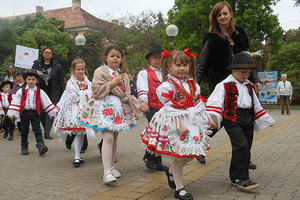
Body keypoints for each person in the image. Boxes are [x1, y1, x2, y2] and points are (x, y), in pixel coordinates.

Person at [141, 49, 216, 200]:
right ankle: (180, 188)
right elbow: (169, 109)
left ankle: (171, 172)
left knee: (191, 154)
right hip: (175, 123)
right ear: (169, 67)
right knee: (180, 154)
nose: (182, 68)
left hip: (192, 121)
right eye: (178, 65)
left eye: (185, 65)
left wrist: (209, 119)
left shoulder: (192, 84)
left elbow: (199, 103)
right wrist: (180, 125)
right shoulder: (167, 86)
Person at [196, 1, 260, 166]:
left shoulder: (241, 35)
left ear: (230, 14)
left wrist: (256, 79)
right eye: (219, 14)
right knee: (217, 120)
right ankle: (199, 147)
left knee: (245, 122)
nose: (223, 17)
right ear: (215, 18)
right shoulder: (211, 37)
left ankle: (244, 158)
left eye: (225, 13)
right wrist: (194, 85)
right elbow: (202, 63)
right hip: (220, 86)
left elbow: (248, 59)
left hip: (242, 85)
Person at [206, 51, 275, 191]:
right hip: (232, 118)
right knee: (241, 145)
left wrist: (267, 119)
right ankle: (242, 178)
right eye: (243, 72)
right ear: (234, 70)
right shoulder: (224, 85)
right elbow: (215, 103)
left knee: (246, 148)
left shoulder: (249, 85)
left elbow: (256, 104)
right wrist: (212, 119)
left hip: (247, 118)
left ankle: (235, 176)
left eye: (248, 73)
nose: (246, 75)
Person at [77, 44, 142, 184]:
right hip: (104, 107)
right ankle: (106, 172)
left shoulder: (123, 74)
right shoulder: (100, 71)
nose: (115, 59)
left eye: (118, 57)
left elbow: (126, 93)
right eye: (112, 56)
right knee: (108, 138)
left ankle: (111, 167)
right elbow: (96, 91)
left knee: (115, 138)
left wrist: (129, 101)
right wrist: (112, 83)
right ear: (106, 57)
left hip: (118, 109)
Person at [7, 69, 57, 155]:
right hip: (24, 113)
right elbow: (16, 101)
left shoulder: (39, 91)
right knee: (24, 130)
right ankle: (24, 146)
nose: (31, 81)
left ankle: (41, 145)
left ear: (37, 80)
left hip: (35, 113)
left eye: (33, 79)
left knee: (37, 129)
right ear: (25, 80)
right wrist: (13, 113)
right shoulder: (21, 91)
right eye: (29, 79)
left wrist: (52, 111)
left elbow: (46, 101)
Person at [54, 59, 93, 168]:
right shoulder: (71, 82)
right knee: (77, 132)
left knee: (81, 134)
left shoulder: (87, 82)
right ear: (73, 70)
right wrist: (84, 94)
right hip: (74, 110)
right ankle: (76, 156)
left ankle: (77, 156)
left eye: (82, 69)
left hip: (84, 110)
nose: (80, 71)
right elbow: (73, 97)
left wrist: (87, 95)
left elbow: (91, 92)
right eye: (78, 69)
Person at [137, 45, 168, 171]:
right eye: (155, 58)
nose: (157, 60)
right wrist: (143, 102)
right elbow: (143, 88)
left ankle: (154, 159)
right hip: (152, 107)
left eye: (160, 58)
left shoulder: (166, 73)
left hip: (165, 107)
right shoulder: (144, 73)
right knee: (155, 132)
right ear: (149, 59)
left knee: (162, 133)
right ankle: (150, 158)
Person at [32, 47, 65, 139]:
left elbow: (61, 80)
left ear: (52, 55)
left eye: (49, 52)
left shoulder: (57, 65)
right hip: (40, 92)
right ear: (43, 54)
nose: (47, 54)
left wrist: (64, 92)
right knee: (42, 112)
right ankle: (46, 128)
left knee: (51, 111)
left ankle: (47, 132)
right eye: (46, 52)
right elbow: (31, 76)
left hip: (54, 92)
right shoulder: (37, 64)